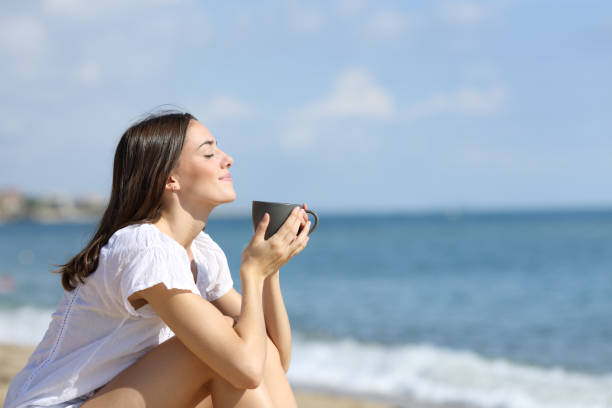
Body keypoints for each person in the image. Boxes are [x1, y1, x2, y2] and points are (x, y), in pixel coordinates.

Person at [4, 110, 310, 408]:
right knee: (217, 354)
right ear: (170, 179)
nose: (227, 159)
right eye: (208, 153)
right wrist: (252, 275)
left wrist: (270, 269)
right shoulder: (146, 248)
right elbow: (245, 367)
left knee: (233, 350)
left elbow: (272, 359)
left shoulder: (200, 251)